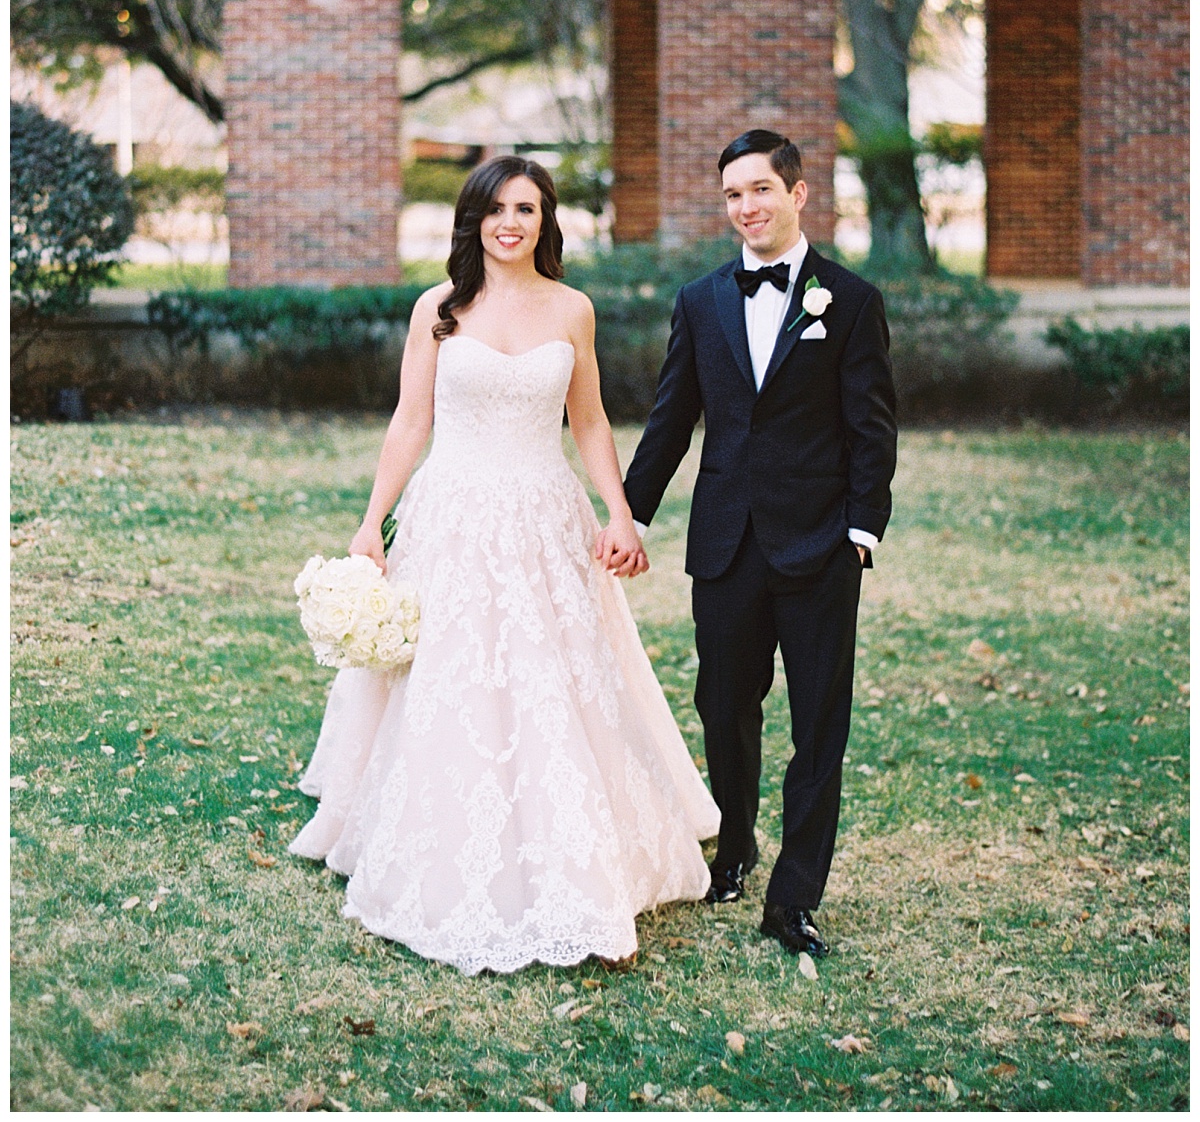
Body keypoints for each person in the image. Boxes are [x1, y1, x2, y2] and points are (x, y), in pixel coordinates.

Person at [289, 155, 719, 975]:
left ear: (545, 220)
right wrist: (371, 522)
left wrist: (619, 512)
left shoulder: (572, 309)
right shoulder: (438, 310)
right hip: (451, 514)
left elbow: (589, 423)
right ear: (473, 219)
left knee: (552, 682)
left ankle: (572, 852)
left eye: (526, 207)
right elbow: (410, 421)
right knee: (451, 679)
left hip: (545, 516)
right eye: (496, 208)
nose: (510, 222)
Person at [623, 129, 897, 959]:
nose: (747, 207)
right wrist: (631, 515)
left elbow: (871, 428)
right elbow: (673, 417)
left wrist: (859, 531)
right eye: (733, 194)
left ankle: (794, 897)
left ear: (798, 193)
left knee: (819, 724)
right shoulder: (701, 301)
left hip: (820, 548)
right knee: (724, 705)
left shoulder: (848, 300)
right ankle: (734, 849)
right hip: (728, 545)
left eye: (761, 190)